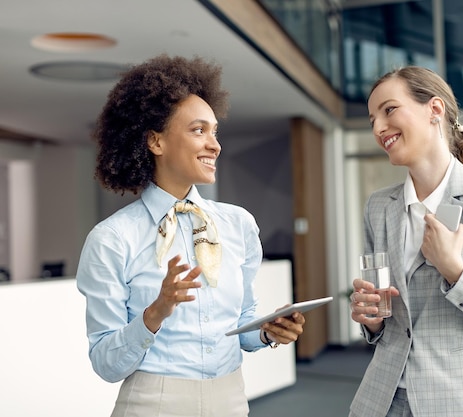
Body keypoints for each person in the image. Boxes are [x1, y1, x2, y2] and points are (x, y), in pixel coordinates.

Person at [76, 54, 305, 417]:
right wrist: (157, 311)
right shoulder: (111, 239)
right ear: (155, 141)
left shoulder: (239, 225)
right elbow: (106, 363)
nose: (215, 145)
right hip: (152, 403)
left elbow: (243, 325)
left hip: (230, 398)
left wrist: (267, 331)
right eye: (198, 130)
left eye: (215, 131)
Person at [348, 66, 463, 417]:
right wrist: (370, 319)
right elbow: (388, 324)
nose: (377, 128)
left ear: (435, 110)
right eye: (372, 119)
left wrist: (456, 271)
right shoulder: (379, 206)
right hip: (384, 399)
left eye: (389, 110)